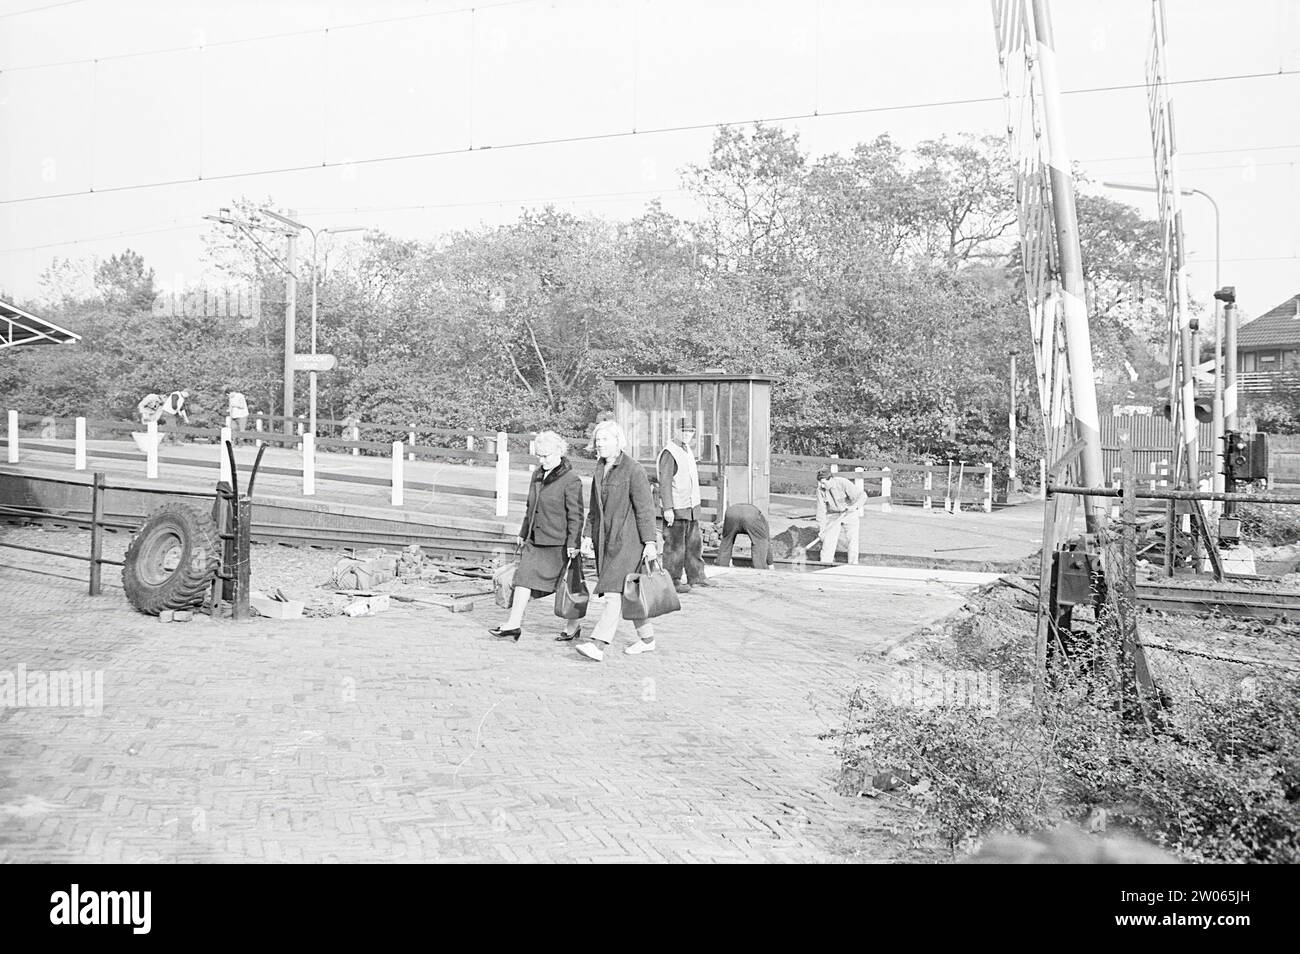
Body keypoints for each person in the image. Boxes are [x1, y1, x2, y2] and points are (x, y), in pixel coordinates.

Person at [575, 420, 659, 662]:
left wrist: (650, 542)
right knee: (628, 593)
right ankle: (647, 640)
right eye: (597, 440)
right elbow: (593, 508)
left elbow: (645, 509)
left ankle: (598, 645)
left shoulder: (634, 470)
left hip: (629, 542)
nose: (599, 444)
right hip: (606, 540)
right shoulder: (600, 469)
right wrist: (588, 535)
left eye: (604, 440)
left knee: (612, 591)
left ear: (617, 441)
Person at [489, 431, 585, 643]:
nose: (542, 461)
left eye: (546, 456)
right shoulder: (538, 475)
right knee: (523, 579)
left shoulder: (571, 480)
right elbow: (530, 507)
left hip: (559, 544)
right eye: (539, 456)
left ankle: (573, 625)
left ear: (559, 452)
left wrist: (573, 543)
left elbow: (576, 516)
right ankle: (514, 624)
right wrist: (523, 532)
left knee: (567, 586)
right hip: (535, 540)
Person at [657, 417, 710, 593]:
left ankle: (696, 577)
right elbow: (664, 482)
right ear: (675, 431)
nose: (687, 434)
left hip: (690, 506)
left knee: (694, 544)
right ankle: (672, 580)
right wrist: (667, 508)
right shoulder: (669, 452)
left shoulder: (686, 450)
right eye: (684, 431)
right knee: (674, 547)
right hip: (677, 507)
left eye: (690, 431)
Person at [815, 467, 867, 564]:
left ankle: (853, 565)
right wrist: (821, 530)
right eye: (820, 483)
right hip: (834, 515)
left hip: (849, 513)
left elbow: (862, 496)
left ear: (830, 479)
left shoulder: (843, 483)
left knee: (852, 540)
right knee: (828, 541)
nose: (822, 485)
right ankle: (824, 565)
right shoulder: (820, 490)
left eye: (823, 483)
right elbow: (821, 512)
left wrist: (855, 507)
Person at [716, 502, 774, 569]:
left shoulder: (759, 517)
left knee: (727, 540)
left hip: (731, 513)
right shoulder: (763, 521)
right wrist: (770, 564)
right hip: (750, 516)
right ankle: (760, 568)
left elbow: (725, 537)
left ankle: (721, 565)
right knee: (760, 541)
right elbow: (767, 542)